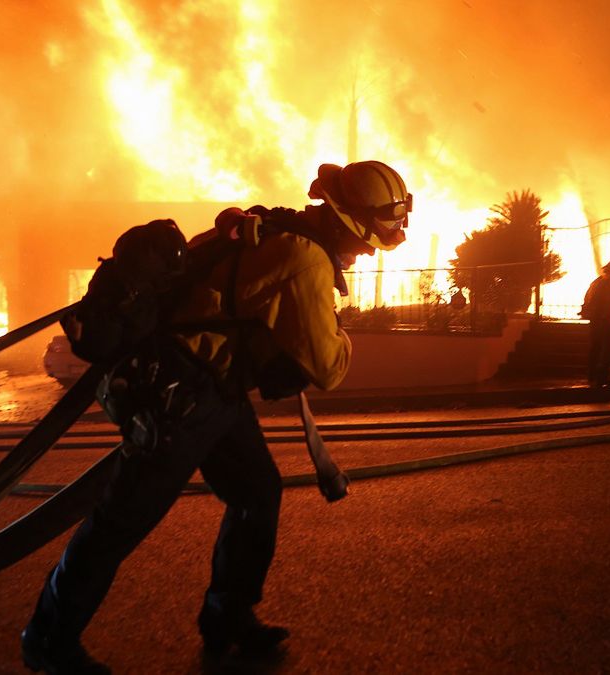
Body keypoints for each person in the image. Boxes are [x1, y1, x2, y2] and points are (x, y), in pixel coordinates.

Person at [21, 160, 412, 674]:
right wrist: (336, 332)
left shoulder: (276, 227)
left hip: (214, 390)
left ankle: (228, 617)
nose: (367, 253)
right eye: (366, 242)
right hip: (181, 397)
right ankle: (48, 640)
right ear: (346, 223)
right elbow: (328, 368)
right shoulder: (307, 261)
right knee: (121, 521)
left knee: (257, 493)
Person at [580, 259, 610, 387]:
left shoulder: (595, 283)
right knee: (607, 350)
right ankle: (601, 377)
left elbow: (587, 300)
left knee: (595, 348)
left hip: (595, 321)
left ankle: (592, 377)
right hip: (606, 322)